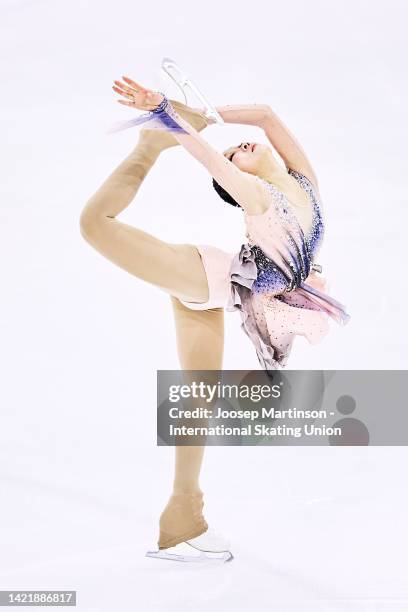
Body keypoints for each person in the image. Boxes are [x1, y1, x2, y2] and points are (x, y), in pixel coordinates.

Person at [79, 76, 350, 560]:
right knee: (94, 225)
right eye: (233, 159)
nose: (236, 152)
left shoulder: (305, 182)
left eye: (239, 152)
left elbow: (265, 113)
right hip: (208, 275)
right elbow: (204, 154)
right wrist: (168, 117)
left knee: (197, 396)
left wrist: (205, 112)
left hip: (218, 297)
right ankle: (147, 149)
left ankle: (185, 515)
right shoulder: (257, 196)